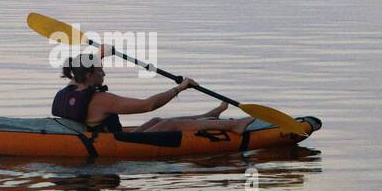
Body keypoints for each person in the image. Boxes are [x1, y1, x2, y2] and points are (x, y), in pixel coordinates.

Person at [51, 47, 255, 134]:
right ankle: (235, 126)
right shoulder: (101, 100)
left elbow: (84, 67)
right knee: (170, 124)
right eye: (100, 70)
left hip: (104, 135)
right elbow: (148, 105)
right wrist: (179, 88)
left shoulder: (72, 86)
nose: (104, 73)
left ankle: (209, 116)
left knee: (156, 122)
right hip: (116, 144)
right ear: (89, 75)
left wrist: (101, 53)